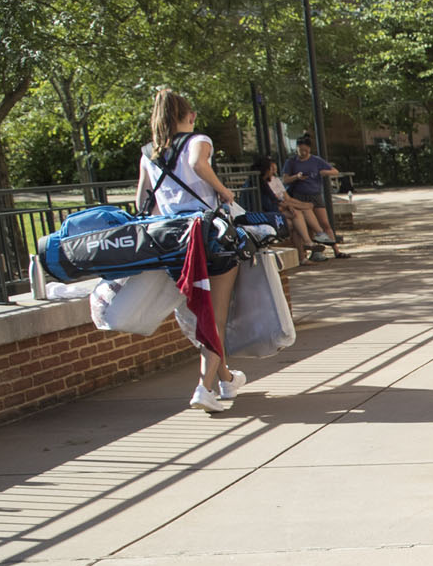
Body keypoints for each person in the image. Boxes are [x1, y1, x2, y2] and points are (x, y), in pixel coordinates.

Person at [136, 87, 246, 414]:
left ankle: (226, 378)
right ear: (190, 116)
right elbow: (199, 165)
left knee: (201, 314)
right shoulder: (199, 140)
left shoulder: (149, 153)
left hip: (173, 242)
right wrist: (224, 191)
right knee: (216, 316)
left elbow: (144, 200)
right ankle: (204, 387)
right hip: (208, 237)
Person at [281, 136, 347, 258]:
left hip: (315, 195)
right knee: (308, 226)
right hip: (299, 196)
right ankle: (313, 252)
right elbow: (285, 179)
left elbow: (335, 171)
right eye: (300, 150)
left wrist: (324, 172)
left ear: (310, 149)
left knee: (324, 223)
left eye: (305, 150)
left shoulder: (316, 161)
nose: (303, 153)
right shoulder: (291, 162)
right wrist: (297, 177)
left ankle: (335, 249)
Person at [251, 156, 318, 255]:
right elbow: (268, 205)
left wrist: (287, 206)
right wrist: (285, 207)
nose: (273, 171)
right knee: (296, 215)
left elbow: (276, 200)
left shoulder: (263, 182)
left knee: (296, 218)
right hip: (266, 213)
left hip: (274, 208)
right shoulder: (258, 184)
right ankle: (308, 242)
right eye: (271, 168)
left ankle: (304, 252)